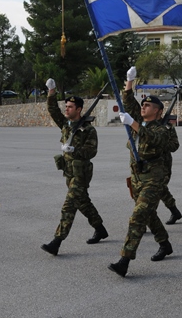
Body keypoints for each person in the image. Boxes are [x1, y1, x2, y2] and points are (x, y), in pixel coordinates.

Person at [108, 66, 173, 277]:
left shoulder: (162, 129)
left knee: (137, 217)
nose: (143, 107)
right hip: (137, 176)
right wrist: (129, 81)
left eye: (148, 105)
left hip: (154, 178)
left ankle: (124, 260)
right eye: (143, 104)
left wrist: (133, 123)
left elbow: (153, 139)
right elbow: (127, 101)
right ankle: (164, 243)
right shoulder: (141, 122)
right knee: (148, 214)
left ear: (159, 111)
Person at [40, 78, 108, 256]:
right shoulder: (66, 125)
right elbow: (53, 110)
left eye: (70, 107)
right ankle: (100, 229)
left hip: (81, 173)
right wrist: (51, 92)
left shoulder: (88, 130)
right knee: (83, 203)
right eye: (66, 106)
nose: (67, 109)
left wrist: (75, 149)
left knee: (69, 206)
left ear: (79, 109)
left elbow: (92, 151)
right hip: (68, 172)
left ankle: (57, 242)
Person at [161, 114, 182, 225]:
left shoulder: (167, 127)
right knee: (160, 189)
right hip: (147, 164)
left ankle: (143, 220)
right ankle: (174, 211)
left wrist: (159, 141)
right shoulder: (143, 125)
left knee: (156, 189)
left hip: (163, 164)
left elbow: (175, 145)